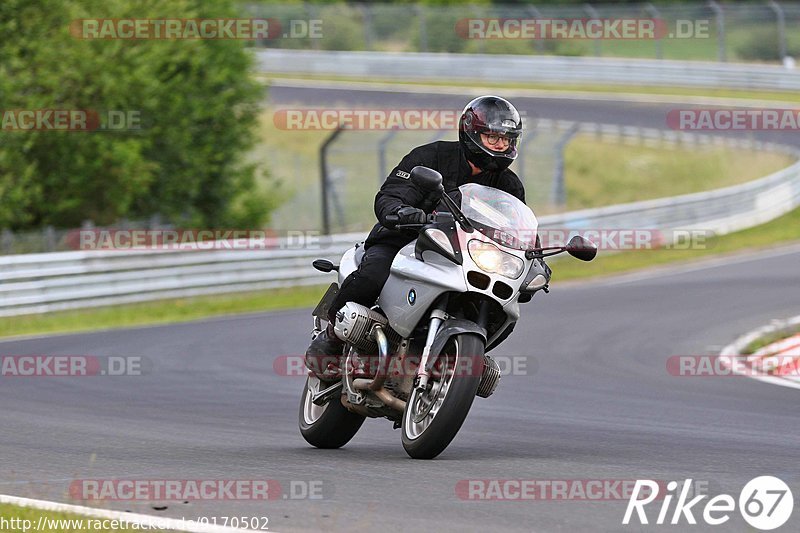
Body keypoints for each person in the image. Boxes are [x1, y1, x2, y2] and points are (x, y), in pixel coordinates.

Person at [305, 95, 527, 376]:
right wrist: (403, 212)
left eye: (506, 139)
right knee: (373, 275)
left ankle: (452, 357)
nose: (500, 145)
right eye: (492, 137)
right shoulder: (430, 156)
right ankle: (331, 340)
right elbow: (391, 194)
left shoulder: (510, 187)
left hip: (465, 257)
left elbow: (516, 229)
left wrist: (533, 256)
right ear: (472, 133)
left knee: (500, 308)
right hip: (406, 240)